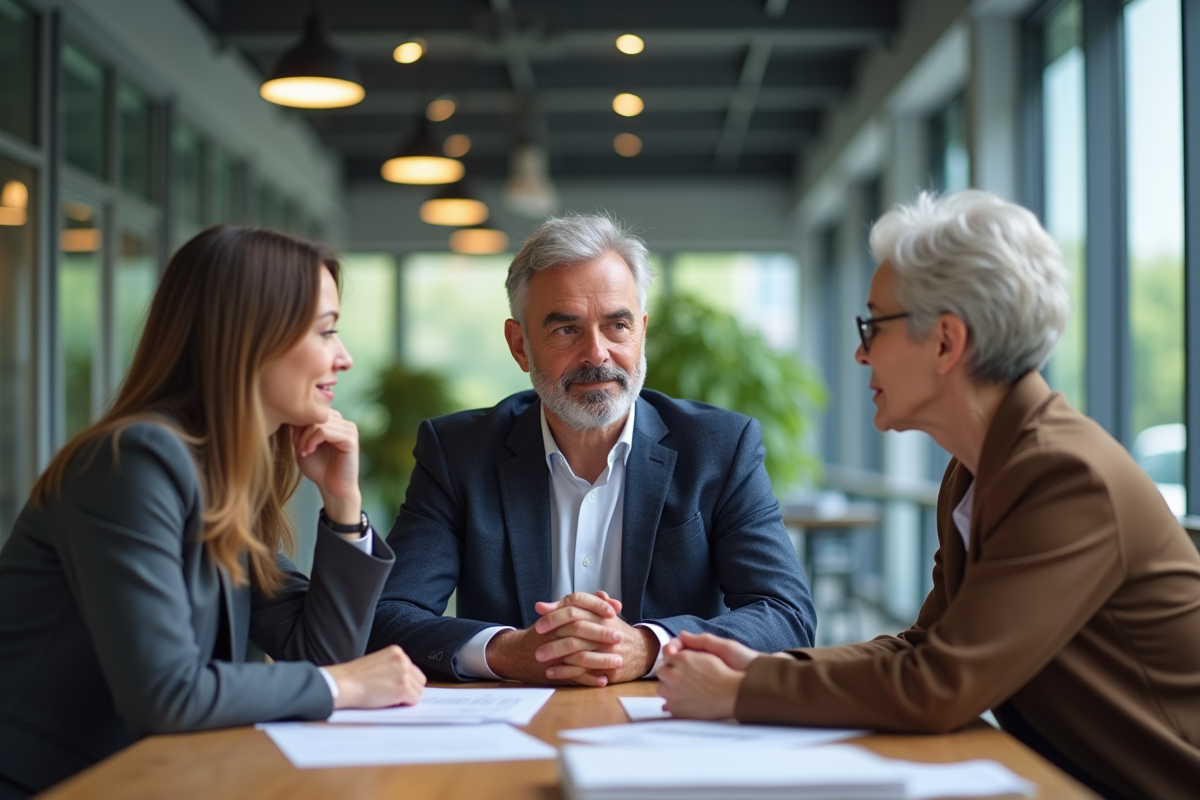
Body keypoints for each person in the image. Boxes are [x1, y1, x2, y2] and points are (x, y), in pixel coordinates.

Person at [656, 190, 1200, 800]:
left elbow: (941, 685)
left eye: (873, 324)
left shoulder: (1063, 475)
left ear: (945, 342)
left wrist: (739, 694)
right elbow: (925, 646)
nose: (861, 352)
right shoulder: (975, 470)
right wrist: (765, 666)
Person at [0, 227, 426, 799]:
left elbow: (319, 651)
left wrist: (344, 505)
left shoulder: (218, 478)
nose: (343, 358)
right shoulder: (134, 462)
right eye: (326, 331)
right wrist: (342, 686)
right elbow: (167, 694)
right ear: (251, 337)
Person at [370, 213, 815, 686]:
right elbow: (387, 616)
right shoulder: (458, 453)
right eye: (566, 329)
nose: (597, 353)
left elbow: (786, 614)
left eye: (616, 325)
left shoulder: (720, 448)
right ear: (520, 345)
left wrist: (648, 647)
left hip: (667, 728)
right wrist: (507, 651)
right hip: (509, 736)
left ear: (640, 331)